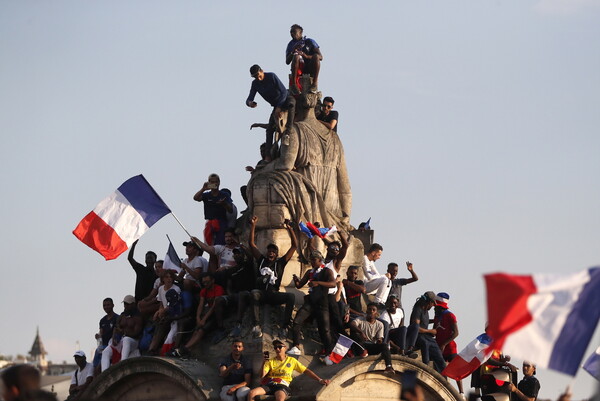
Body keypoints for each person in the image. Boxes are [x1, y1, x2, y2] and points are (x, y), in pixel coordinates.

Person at [248, 216, 297, 338]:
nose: (271, 253)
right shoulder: (261, 261)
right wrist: (253, 225)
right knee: (254, 293)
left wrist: (290, 229)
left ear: (276, 255)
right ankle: (256, 325)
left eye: (273, 251)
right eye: (269, 251)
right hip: (262, 293)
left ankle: (285, 326)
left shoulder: (280, 263)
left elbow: (294, 246)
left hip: (274, 294)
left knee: (291, 296)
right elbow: (251, 244)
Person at [246, 339, 329, 401]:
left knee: (280, 399)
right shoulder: (270, 361)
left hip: (282, 385)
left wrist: (320, 379)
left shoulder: (291, 360)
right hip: (270, 384)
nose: (277, 349)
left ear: (285, 348)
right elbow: (262, 375)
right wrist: (264, 362)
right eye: (275, 347)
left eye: (279, 347)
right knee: (251, 393)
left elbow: (306, 371)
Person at [289, 250, 336, 356]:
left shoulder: (327, 271)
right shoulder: (310, 272)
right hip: (310, 301)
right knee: (297, 321)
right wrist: (296, 280)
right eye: (311, 260)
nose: (312, 262)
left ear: (320, 260)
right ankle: (296, 346)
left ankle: (329, 353)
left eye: (314, 260)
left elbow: (333, 284)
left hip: (322, 302)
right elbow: (299, 285)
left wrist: (318, 283)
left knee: (325, 329)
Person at [170, 272, 226, 356]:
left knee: (201, 330)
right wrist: (198, 317)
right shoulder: (204, 291)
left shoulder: (218, 289)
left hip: (215, 313)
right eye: (204, 283)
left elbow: (214, 306)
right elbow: (201, 304)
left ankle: (184, 349)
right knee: (196, 330)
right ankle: (184, 348)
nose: (205, 284)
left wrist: (203, 319)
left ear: (212, 281)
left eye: (207, 282)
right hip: (206, 312)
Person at [246, 65, 296, 157]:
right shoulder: (255, 84)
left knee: (291, 104)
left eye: (258, 75)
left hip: (285, 99)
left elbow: (284, 92)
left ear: (262, 71)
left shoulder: (271, 76)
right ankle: (268, 156)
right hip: (276, 105)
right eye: (255, 77)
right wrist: (250, 103)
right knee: (269, 129)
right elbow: (249, 98)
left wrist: (279, 107)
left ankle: (288, 132)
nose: (258, 78)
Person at [101, 295, 143, 371]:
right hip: (122, 340)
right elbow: (116, 328)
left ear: (133, 304)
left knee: (126, 339)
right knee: (105, 352)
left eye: (127, 304)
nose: (125, 306)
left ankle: (123, 365)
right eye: (124, 304)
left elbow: (137, 332)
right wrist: (114, 338)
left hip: (133, 342)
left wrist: (125, 333)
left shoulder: (137, 316)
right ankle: (105, 373)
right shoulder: (122, 315)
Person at [350, 302, 395, 374]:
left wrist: (379, 341)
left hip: (371, 346)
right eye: (370, 309)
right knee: (355, 335)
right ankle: (362, 352)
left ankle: (389, 366)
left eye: (373, 310)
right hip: (361, 345)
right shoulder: (361, 319)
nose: (371, 311)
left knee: (384, 345)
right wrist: (361, 332)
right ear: (367, 311)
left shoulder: (380, 324)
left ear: (376, 313)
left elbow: (379, 338)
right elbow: (353, 324)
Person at [433, 292, 462, 394]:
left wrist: (444, 344)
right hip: (439, 349)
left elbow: (456, 333)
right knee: (439, 370)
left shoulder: (450, 315)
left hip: (450, 348)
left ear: (440, 307)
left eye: (435, 307)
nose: (434, 309)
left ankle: (461, 393)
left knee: (456, 370)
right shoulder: (436, 317)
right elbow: (434, 331)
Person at [409, 291, 445, 373]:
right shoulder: (417, 310)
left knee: (440, 360)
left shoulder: (426, 311)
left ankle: (443, 379)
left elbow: (424, 321)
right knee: (425, 343)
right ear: (429, 302)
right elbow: (416, 328)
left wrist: (434, 321)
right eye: (433, 304)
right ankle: (426, 367)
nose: (433, 306)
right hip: (418, 336)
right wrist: (430, 331)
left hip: (426, 336)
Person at [193, 173, 233, 246]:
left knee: (220, 245)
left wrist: (224, 204)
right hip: (210, 223)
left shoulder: (224, 195)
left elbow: (230, 210)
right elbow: (195, 198)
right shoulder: (206, 195)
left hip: (221, 222)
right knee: (209, 246)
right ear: (209, 183)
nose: (215, 184)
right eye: (212, 182)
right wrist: (203, 189)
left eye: (216, 182)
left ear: (219, 182)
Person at [285, 24, 323, 93]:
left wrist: (306, 56)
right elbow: (287, 61)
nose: (292, 34)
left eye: (294, 32)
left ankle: (314, 84)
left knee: (316, 56)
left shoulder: (309, 41)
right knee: (296, 56)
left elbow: (320, 57)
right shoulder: (290, 44)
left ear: (300, 33)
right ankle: (294, 85)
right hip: (298, 68)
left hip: (310, 67)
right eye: (291, 32)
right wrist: (293, 52)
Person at [92, 297, 119, 372]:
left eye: (108, 305)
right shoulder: (102, 320)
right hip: (103, 346)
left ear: (113, 305)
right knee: (95, 365)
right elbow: (101, 333)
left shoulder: (117, 318)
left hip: (113, 345)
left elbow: (118, 333)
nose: (106, 307)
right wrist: (98, 336)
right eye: (104, 305)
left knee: (100, 366)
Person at [361, 243, 390, 307]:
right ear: (373, 253)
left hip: (371, 285)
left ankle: (382, 301)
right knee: (385, 279)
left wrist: (384, 276)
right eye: (379, 255)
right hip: (366, 286)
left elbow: (377, 274)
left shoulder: (371, 261)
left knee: (388, 281)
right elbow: (370, 277)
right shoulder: (365, 259)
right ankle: (377, 302)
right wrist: (384, 276)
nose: (379, 257)